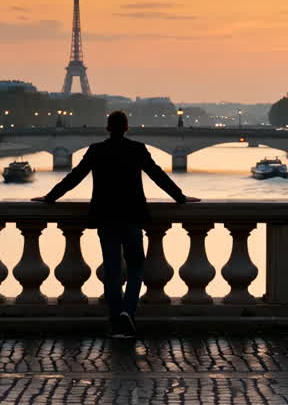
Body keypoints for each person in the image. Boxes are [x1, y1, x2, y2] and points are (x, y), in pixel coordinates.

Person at [32, 110, 199, 339]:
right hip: (132, 216)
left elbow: (74, 177)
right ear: (127, 127)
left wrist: (49, 197)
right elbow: (158, 176)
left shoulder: (96, 150)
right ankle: (127, 313)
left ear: (108, 128)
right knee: (136, 268)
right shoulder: (137, 149)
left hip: (106, 217)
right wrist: (180, 198)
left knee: (111, 271)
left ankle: (115, 320)